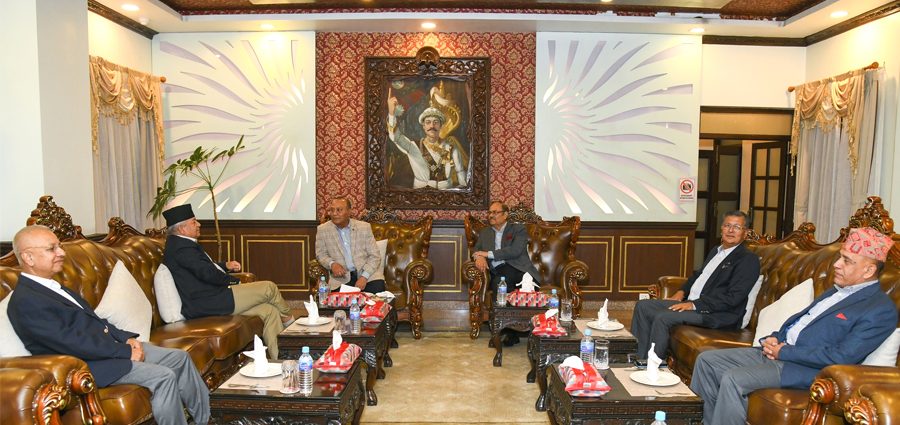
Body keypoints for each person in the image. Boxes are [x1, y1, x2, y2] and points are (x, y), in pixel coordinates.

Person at [691, 227, 896, 425]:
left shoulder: (879, 309)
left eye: (847, 261)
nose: (836, 264)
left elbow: (842, 357)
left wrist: (784, 352)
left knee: (733, 378)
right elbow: (802, 324)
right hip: (780, 352)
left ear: (869, 270)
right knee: (707, 361)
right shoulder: (837, 290)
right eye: (840, 257)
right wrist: (775, 338)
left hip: (805, 369)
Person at [8, 225, 210, 425]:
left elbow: (95, 320)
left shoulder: (51, 286)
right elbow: (71, 343)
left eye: (59, 246)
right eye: (52, 249)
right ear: (28, 257)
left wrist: (126, 338)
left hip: (109, 350)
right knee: (163, 376)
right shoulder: (26, 301)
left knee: (179, 358)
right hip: (88, 366)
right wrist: (124, 351)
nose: (61, 252)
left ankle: (204, 420)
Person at [162, 204, 292, 360]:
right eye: (194, 222)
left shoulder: (180, 244)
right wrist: (234, 281)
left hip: (212, 298)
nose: (199, 224)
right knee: (269, 288)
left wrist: (225, 265)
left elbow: (202, 267)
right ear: (182, 229)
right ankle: (291, 324)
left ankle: (281, 361)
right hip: (208, 302)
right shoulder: (181, 248)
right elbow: (207, 273)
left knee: (269, 311)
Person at [631, 211, 760, 360]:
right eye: (727, 225)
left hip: (717, 314)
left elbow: (733, 298)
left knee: (663, 317)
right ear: (721, 229)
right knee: (643, 306)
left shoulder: (747, 259)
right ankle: (640, 359)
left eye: (737, 227)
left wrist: (694, 305)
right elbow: (698, 275)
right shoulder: (716, 251)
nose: (731, 230)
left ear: (745, 233)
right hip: (696, 304)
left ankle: (653, 365)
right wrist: (681, 292)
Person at [472, 200, 540, 346]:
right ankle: (506, 333)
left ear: (505, 215)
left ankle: (513, 333)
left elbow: (514, 251)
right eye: (490, 212)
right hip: (499, 271)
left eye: (495, 212)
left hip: (519, 270)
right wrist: (478, 257)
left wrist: (487, 254)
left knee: (511, 284)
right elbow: (476, 250)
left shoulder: (518, 230)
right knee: (499, 284)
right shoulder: (485, 233)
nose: (491, 215)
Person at [387, 92, 468, 189]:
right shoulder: (413, 147)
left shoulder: (451, 148)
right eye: (428, 122)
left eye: (436, 122)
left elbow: (461, 175)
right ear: (424, 126)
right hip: (419, 195)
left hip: (446, 195)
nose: (432, 126)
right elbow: (396, 137)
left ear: (441, 125)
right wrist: (391, 114)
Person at [315, 197, 386, 293]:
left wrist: (364, 277)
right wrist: (332, 264)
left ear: (349, 212)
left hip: (367, 275)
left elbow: (375, 256)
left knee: (377, 291)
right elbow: (321, 254)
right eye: (332, 210)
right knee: (340, 300)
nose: (334, 213)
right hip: (341, 279)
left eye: (339, 210)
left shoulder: (364, 227)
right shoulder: (323, 230)